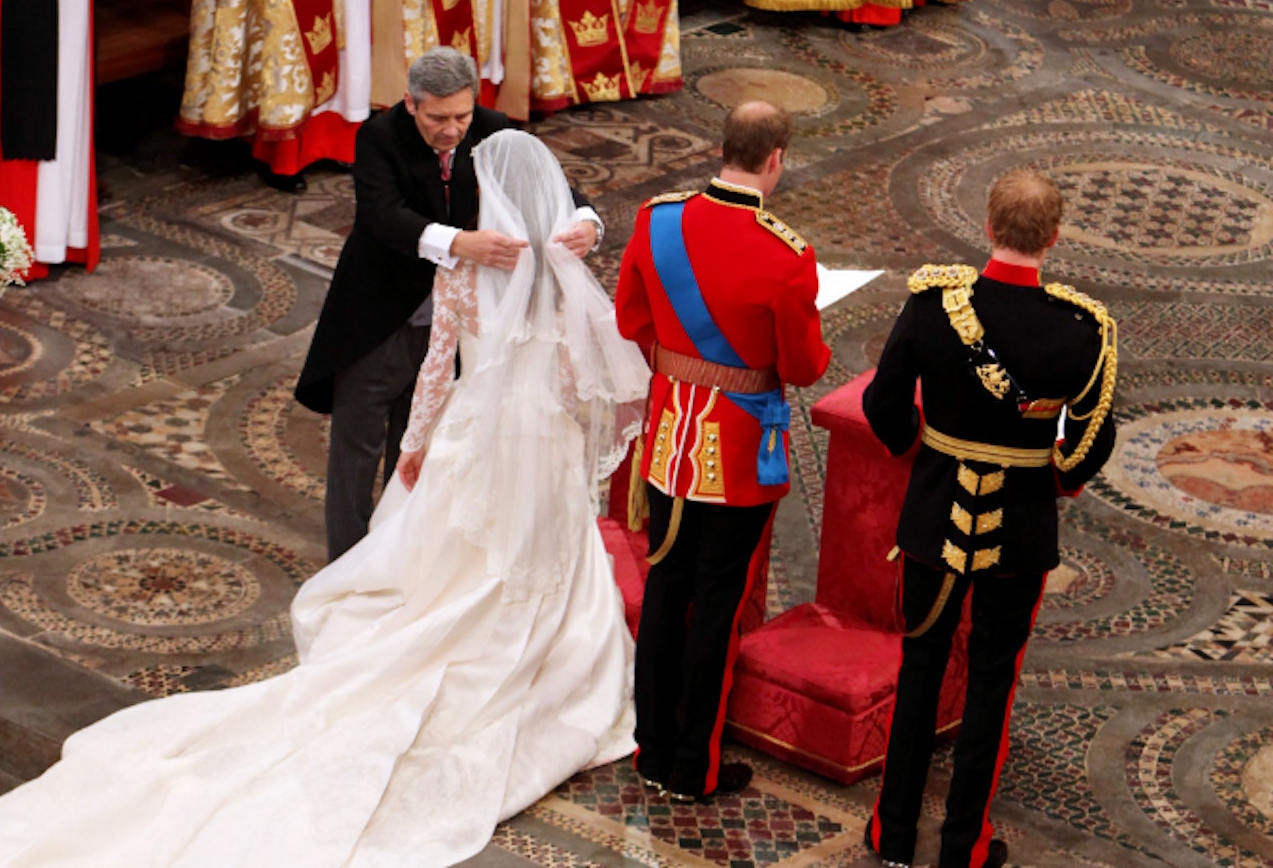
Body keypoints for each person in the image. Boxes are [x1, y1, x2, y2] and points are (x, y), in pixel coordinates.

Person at [0, 128, 650, 868]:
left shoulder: (464, 271)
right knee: (543, 558)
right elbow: (581, 379)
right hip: (539, 440)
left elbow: (438, 368)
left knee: (453, 558)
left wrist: (415, 447)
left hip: (476, 428)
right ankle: (550, 655)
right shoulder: (562, 274)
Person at [861, 170, 1118, 868]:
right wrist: (1056, 476)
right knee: (991, 684)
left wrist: (920, 446)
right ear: (1056, 237)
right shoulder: (1082, 330)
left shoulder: (933, 304)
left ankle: (891, 833)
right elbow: (1092, 441)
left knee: (919, 666)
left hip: (933, 517)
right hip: (1021, 528)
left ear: (988, 226)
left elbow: (884, 404)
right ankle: (963, 847)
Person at [293, 45, 602, 562]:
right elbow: (382, 217)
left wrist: (587, 219)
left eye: (461, 116)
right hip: (381, 312)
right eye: (438, 118)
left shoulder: (493, 125)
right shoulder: (378, 137)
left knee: (420, 439)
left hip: (457, 318)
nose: (452, 130)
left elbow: (551, 184)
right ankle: (344, 562)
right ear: (411, 104)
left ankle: (398, 555)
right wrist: (460, 242)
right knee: (358, 446)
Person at [614, 100, 831, 803]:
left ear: (724, 148)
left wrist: (683, 369)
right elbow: (801, 368)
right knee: (716, 604)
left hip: (669, 437)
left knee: (664, 587)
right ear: (776, 160)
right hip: (737, 455)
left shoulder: (657, 219)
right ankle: (692, 767)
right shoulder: (787, 256)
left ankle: (651, 749)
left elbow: (630, 319)